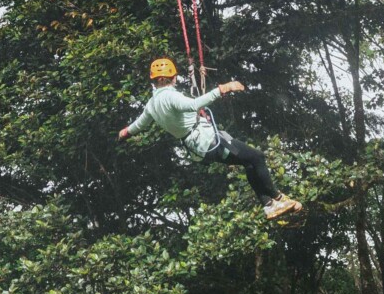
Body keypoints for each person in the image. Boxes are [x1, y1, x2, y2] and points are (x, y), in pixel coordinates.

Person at [118, 57, 303, 221]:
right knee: (257, 157)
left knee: (249, 163)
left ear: (153, 80)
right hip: (209, 141)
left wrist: (125, 132)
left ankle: (268, 205)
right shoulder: (170, 96)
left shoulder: (151, 104)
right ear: (173, 77)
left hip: (199, 150)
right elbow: (193, 104)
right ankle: (278, 197)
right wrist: (223, 88)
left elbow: (138, 126)